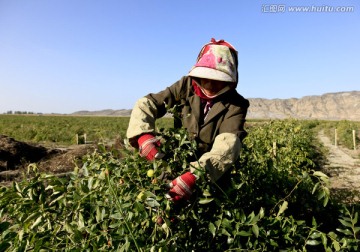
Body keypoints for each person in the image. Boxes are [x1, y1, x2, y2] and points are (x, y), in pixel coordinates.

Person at [126, 38, 250, 203]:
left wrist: (194, 176)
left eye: (218, 80)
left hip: (211, 175)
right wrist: (143, 137)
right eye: (206, 78)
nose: (210, 84)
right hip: (175, 162)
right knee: (164, 206)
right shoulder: (187, 85)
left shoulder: (237, 104)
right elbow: (148, 104)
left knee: (205, 212)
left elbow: (228, 144)